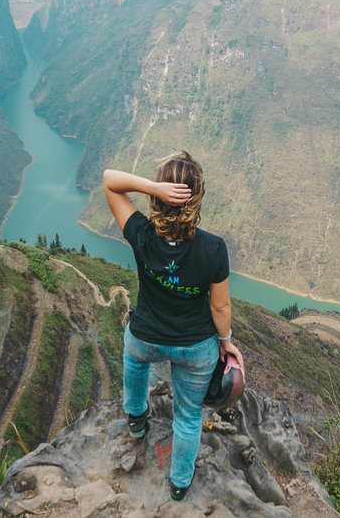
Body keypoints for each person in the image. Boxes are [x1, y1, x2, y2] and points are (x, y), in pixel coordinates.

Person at [103, 151, 244, 502]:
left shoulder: (141, 234)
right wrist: (225, 342)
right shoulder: (213, 249)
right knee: (188, 416)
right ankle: (180, 484)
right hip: (195, 348)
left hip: (145, 336)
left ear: (159, 197)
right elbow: (220, 305)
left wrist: (152, 187)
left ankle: (136, 416)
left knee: (134, 359)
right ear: (197, 200)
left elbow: (110, 181)